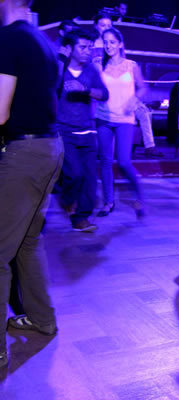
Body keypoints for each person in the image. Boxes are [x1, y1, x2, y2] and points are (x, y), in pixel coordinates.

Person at [0, 0, 62, 368]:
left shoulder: (9, 39)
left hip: (25, 153)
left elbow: (0, 112)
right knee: (27, 242)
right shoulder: (41, 40)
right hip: (49, 147)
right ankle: (42, 319)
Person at [56, 28, 109, 232]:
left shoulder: (91, 71)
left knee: (89, 178)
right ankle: (66, 199)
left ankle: (81, 218)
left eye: (90, 47)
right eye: (83, 47)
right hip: (64, 130)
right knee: (74, 173)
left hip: (87, 130)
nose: (88, 51)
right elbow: (49, 91)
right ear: (70, 48)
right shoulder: (60, 69)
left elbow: (104, 94)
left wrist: (84, 89)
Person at [96, 28, 147, 217]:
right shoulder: (99, 65)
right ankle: (108, 202)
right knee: (105, 161)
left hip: (125, 119)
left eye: (112, 42)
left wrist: (135, 100)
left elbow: (143, 88)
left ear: (120, 44)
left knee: (124, 161)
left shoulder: (131, 65)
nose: (108, 45)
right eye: (105, 42)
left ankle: (139, 197)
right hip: (104, 118)